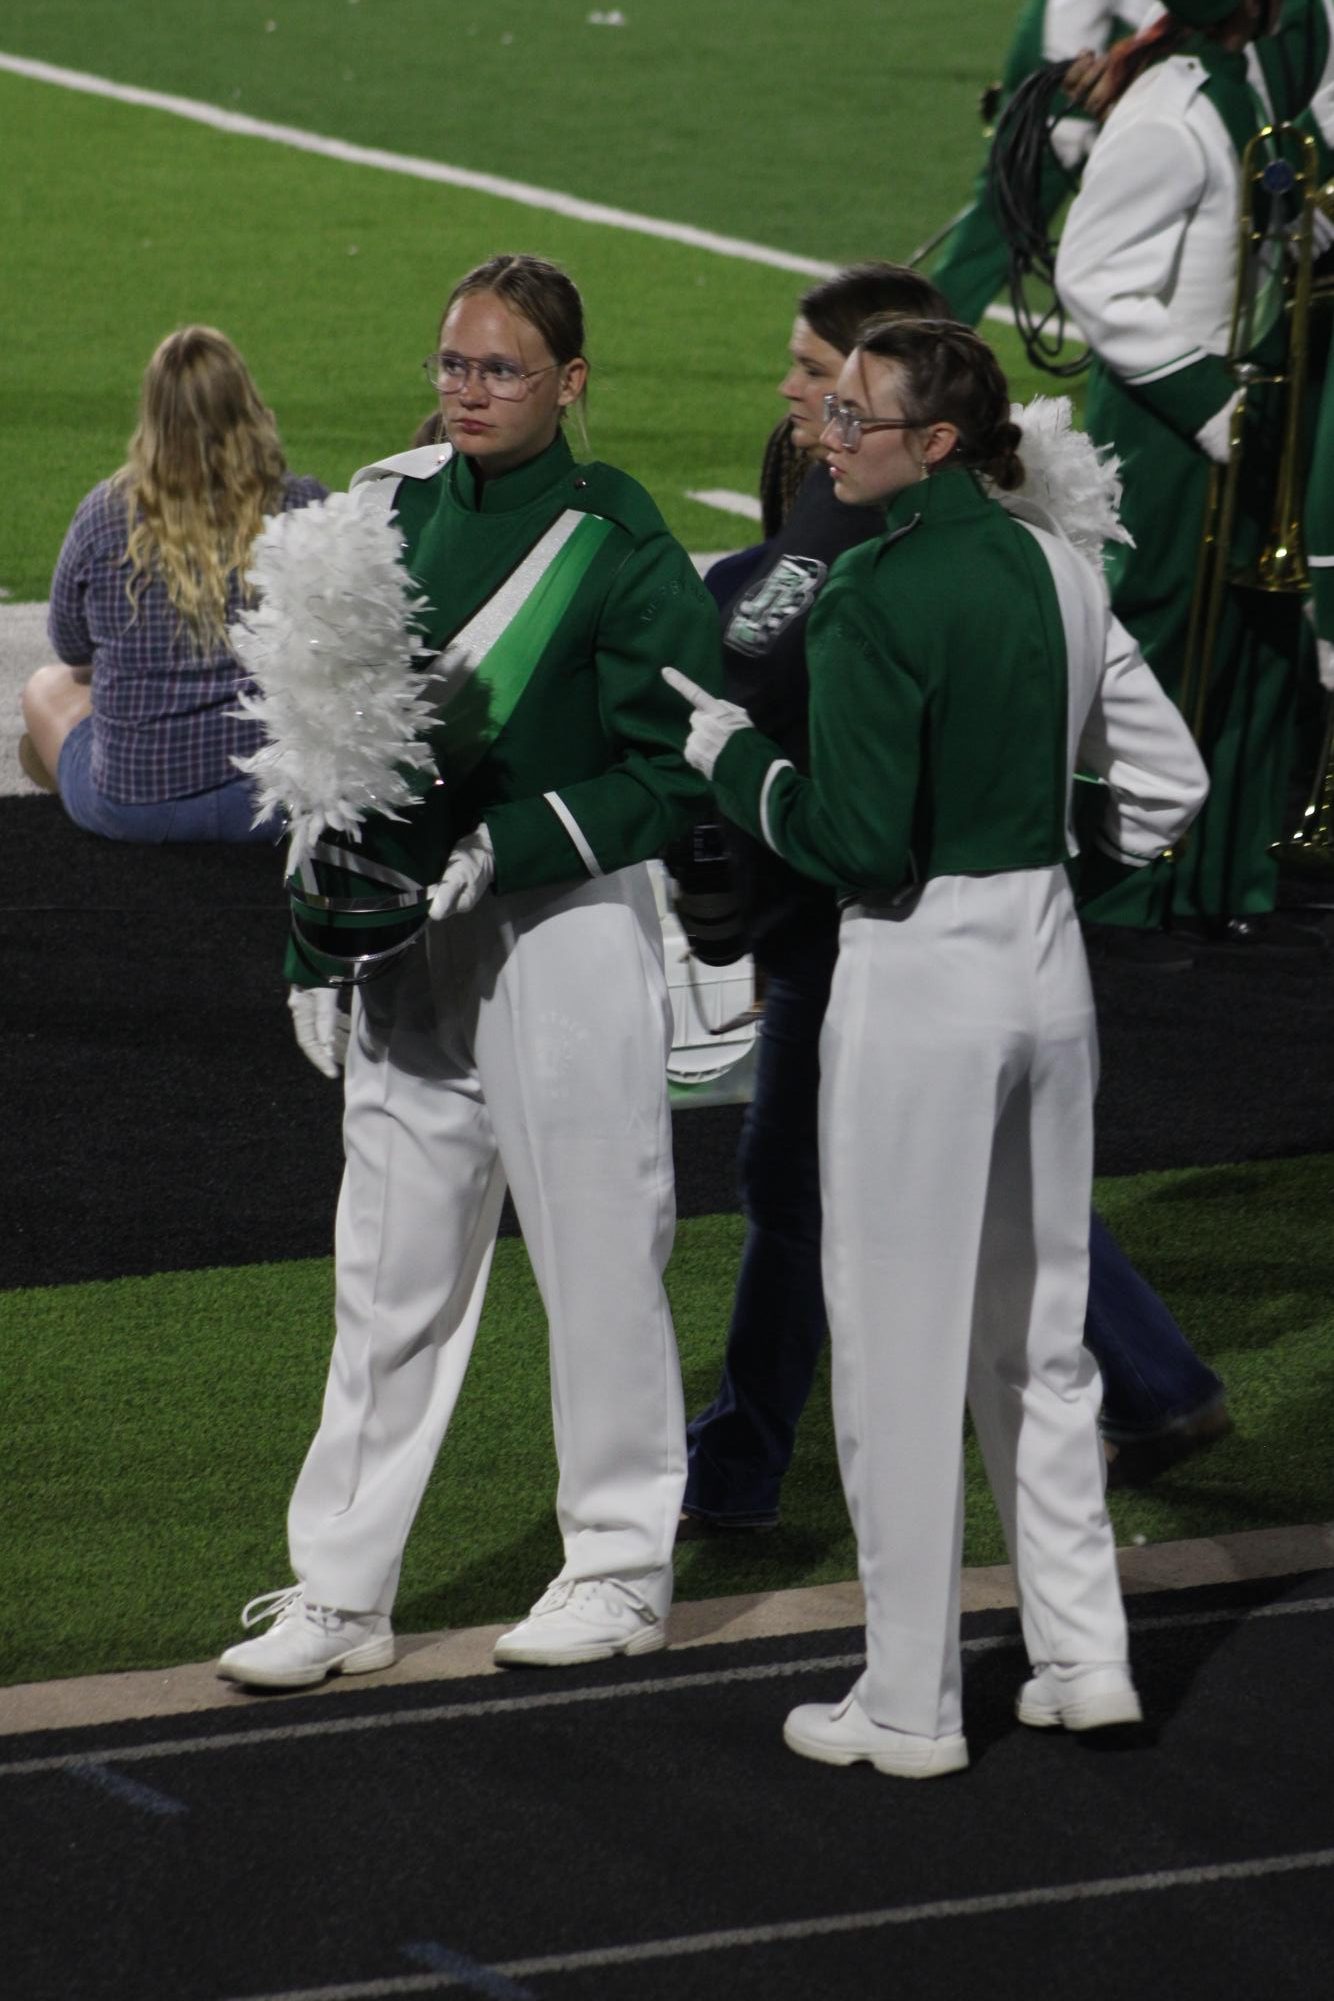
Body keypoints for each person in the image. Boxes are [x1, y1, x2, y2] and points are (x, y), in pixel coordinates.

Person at [667, 316, 1208, 1776]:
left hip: (912, 986)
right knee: (1040, 1338)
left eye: (855, 417)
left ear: (937, 443)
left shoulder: (863, 599)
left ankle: (907, 1704)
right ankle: (1083, 1657)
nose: (824, 435)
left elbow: (846, 839)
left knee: (898, 1353)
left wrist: (733, 759)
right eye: (829, 410)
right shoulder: (1060, 565)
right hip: (1047, 973)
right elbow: (1168, 787)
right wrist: (1035, 860)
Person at [218, 253, 723, 1690]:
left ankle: (620, 1563)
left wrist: (511, 840)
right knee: (385, 1273)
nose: (467, 393)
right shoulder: (378, 510)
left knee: (598, 1252)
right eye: (452, 364)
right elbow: (322, 751)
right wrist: (313, 942)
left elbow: (670, 770)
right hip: (400, 940)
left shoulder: (617, 539)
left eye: (500, 370)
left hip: (562, 929)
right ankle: (339, 1591)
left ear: (569, 383)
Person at [1056, 0, 1328, 954]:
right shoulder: (1171, 114)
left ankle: (1226, 870)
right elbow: (1090, 276)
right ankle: (1132, 883)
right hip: (1177, 421)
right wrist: (1217, 405)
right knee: (1163, 637)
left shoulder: (1239, 85)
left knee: (1249, 643)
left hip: (1243, 405)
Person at [21, 326, 326, 842]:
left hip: (135, 809)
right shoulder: (302, 506)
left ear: (154, 414)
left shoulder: (104, 515)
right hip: (273, 805)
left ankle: (74, 767)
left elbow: (73, 651)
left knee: (46, 685)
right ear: (247, 405)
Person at [926, 0, 1164, 327]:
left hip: (1102, 58)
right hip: (1075, 65)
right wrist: (1063, 104)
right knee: (999, 228)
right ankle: (924, 348)